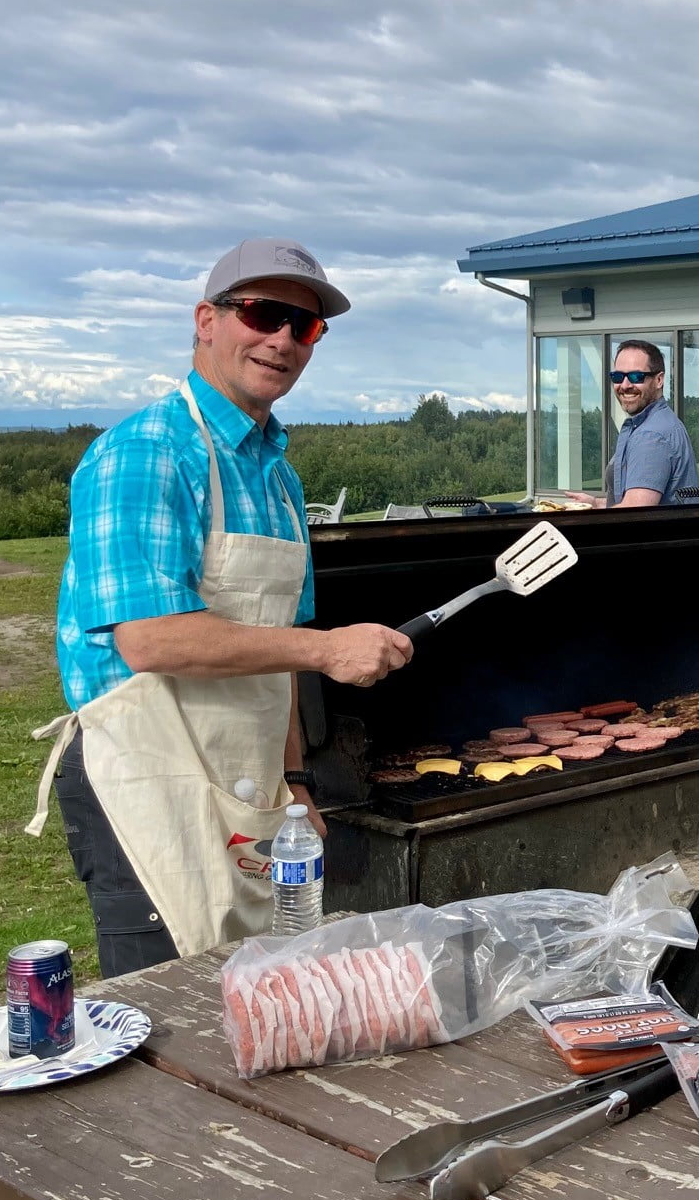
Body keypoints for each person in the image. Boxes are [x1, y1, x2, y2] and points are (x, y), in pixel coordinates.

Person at [34, 238, 414, 981]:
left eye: (303, 326)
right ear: (206, 320)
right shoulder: (145, 451)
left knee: (261, 983)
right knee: (172, 1008)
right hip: (147, 774)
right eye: (262, 313)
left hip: (250, 777)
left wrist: (298, 790)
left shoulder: (277, 476)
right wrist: (328, 650)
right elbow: (152, 640)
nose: (281, 339)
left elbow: (277, 653)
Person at [568, 339, 699, 506]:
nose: (624, 385)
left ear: (659, 380)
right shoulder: (661, 422)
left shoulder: (651, 436)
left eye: (636, 376)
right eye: (617, 377)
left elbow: (633, 512)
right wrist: (595, 504)